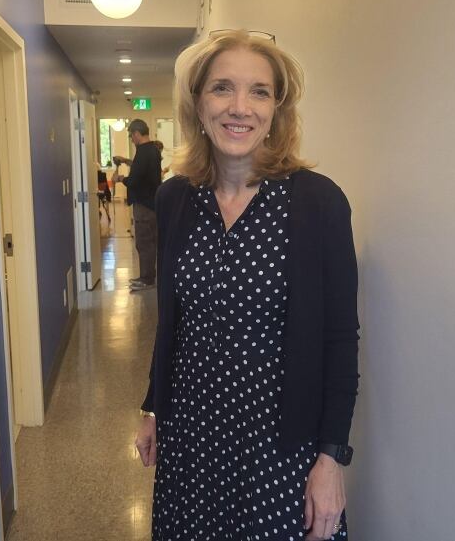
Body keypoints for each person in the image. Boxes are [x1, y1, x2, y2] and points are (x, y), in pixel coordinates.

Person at [134, 30, 359, 541]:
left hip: (278, 446)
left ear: (278, 107)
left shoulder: (318, 204)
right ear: (198, 102)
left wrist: (331, 459)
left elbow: (340, 341)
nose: (240, 107)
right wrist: (153, 406)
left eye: (259, 91)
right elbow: (174, 323)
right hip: (190, 434)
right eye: (222, 88)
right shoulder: (175, 199)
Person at [114, 119, 162, 291]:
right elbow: (141, 169)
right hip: (152, 203)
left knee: (144, 242)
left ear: (136, 133)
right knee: (149, 242)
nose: (131, 139)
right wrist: (127, 160)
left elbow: (134, 180)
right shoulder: (153, 150)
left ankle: (147, 279)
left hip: (144, 205)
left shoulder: (143, 152)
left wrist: (120, 179)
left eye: (131, 136)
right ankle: (148, 276)